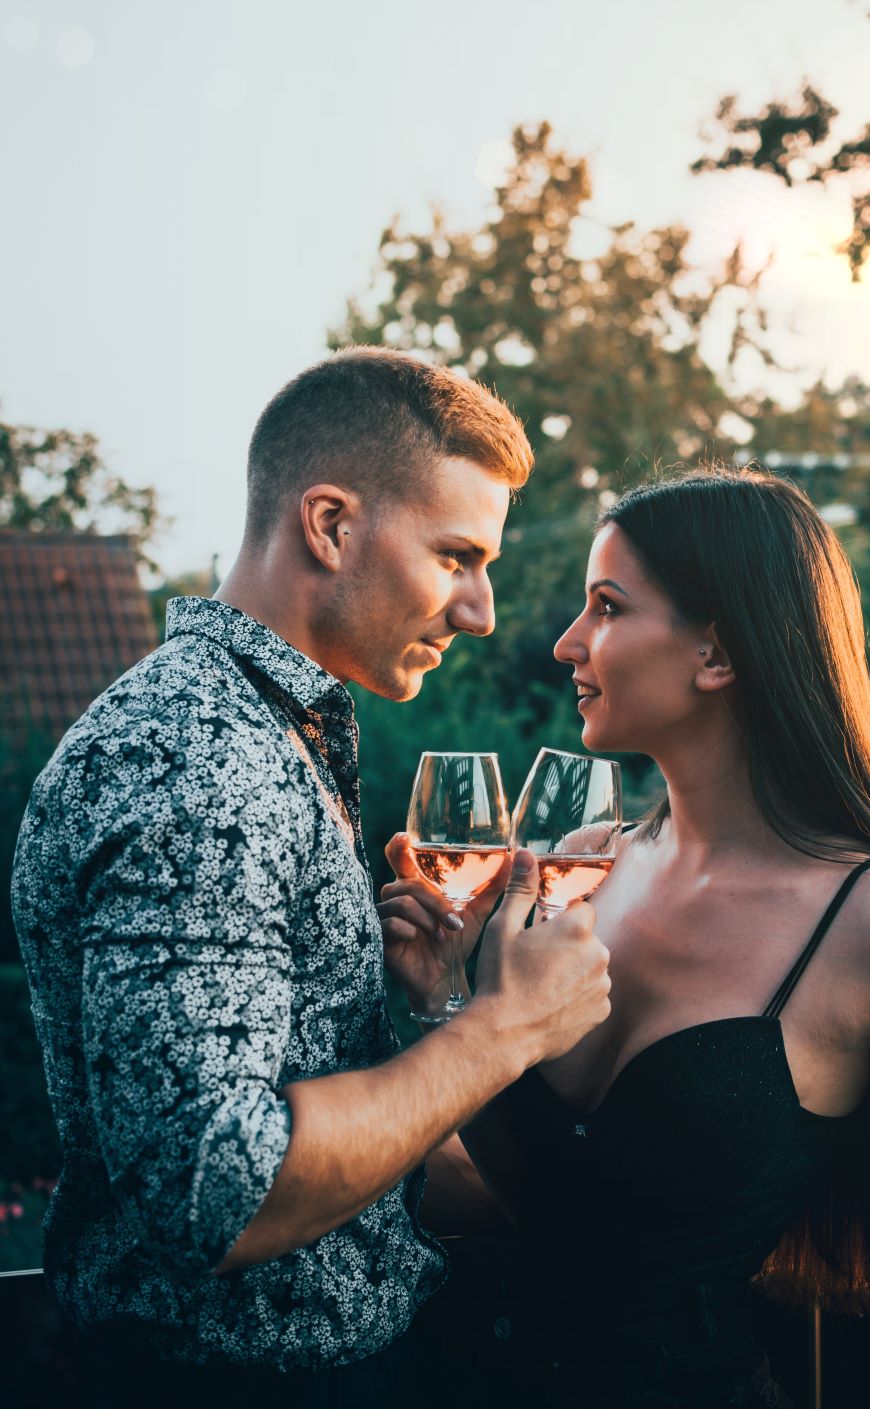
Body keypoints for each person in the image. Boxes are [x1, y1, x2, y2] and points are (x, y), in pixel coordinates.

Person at [10, 347, 612, 1407]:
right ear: (330, 524)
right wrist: (509, 1027)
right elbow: (217, 1190)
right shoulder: (196, 759)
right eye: (457, 555)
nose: (479, 609)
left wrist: (433, 1008)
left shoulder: (268, 727)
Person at [380, 465, 870, 1407]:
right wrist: (444, 1003)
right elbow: (541, 1195)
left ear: (716, 652)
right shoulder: (576, 867)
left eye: (607, 606)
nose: (565, 641)